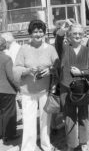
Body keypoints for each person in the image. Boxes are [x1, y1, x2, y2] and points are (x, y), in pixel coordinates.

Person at [15, 20, 59, 151]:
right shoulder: (23, 49)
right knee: (28, 120)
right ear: (30, 33)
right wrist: (27, 71)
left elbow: (57, 65)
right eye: (35, 32)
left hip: (45, 90)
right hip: (27, 91)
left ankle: (46, 145)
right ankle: (28, 147)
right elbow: (16, 68)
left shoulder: (50, 48)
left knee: (45, 120)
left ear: (44, 33)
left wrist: (50, 70)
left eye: (40, 31)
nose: (38, 34)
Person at [56, 23, 89, 151]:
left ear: (84, 35)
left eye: (80, 33)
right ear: (69, 35)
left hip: (82, 90)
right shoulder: (64, 48)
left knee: (83, 116)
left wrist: (81, 72)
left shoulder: (87, 51)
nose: (77, 36)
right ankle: (71, 144)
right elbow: (59, 40)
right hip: (66, 88)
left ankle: (83, 142)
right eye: (74, 33)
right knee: (69, 117)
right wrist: (63, 28)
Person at [0, 37, 20, 142]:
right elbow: (11, 76)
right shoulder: (6, 58)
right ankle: (9, 134)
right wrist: (18, 87)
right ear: (4, 45)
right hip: (6, 90)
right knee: (9, 112)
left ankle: (1, 133)